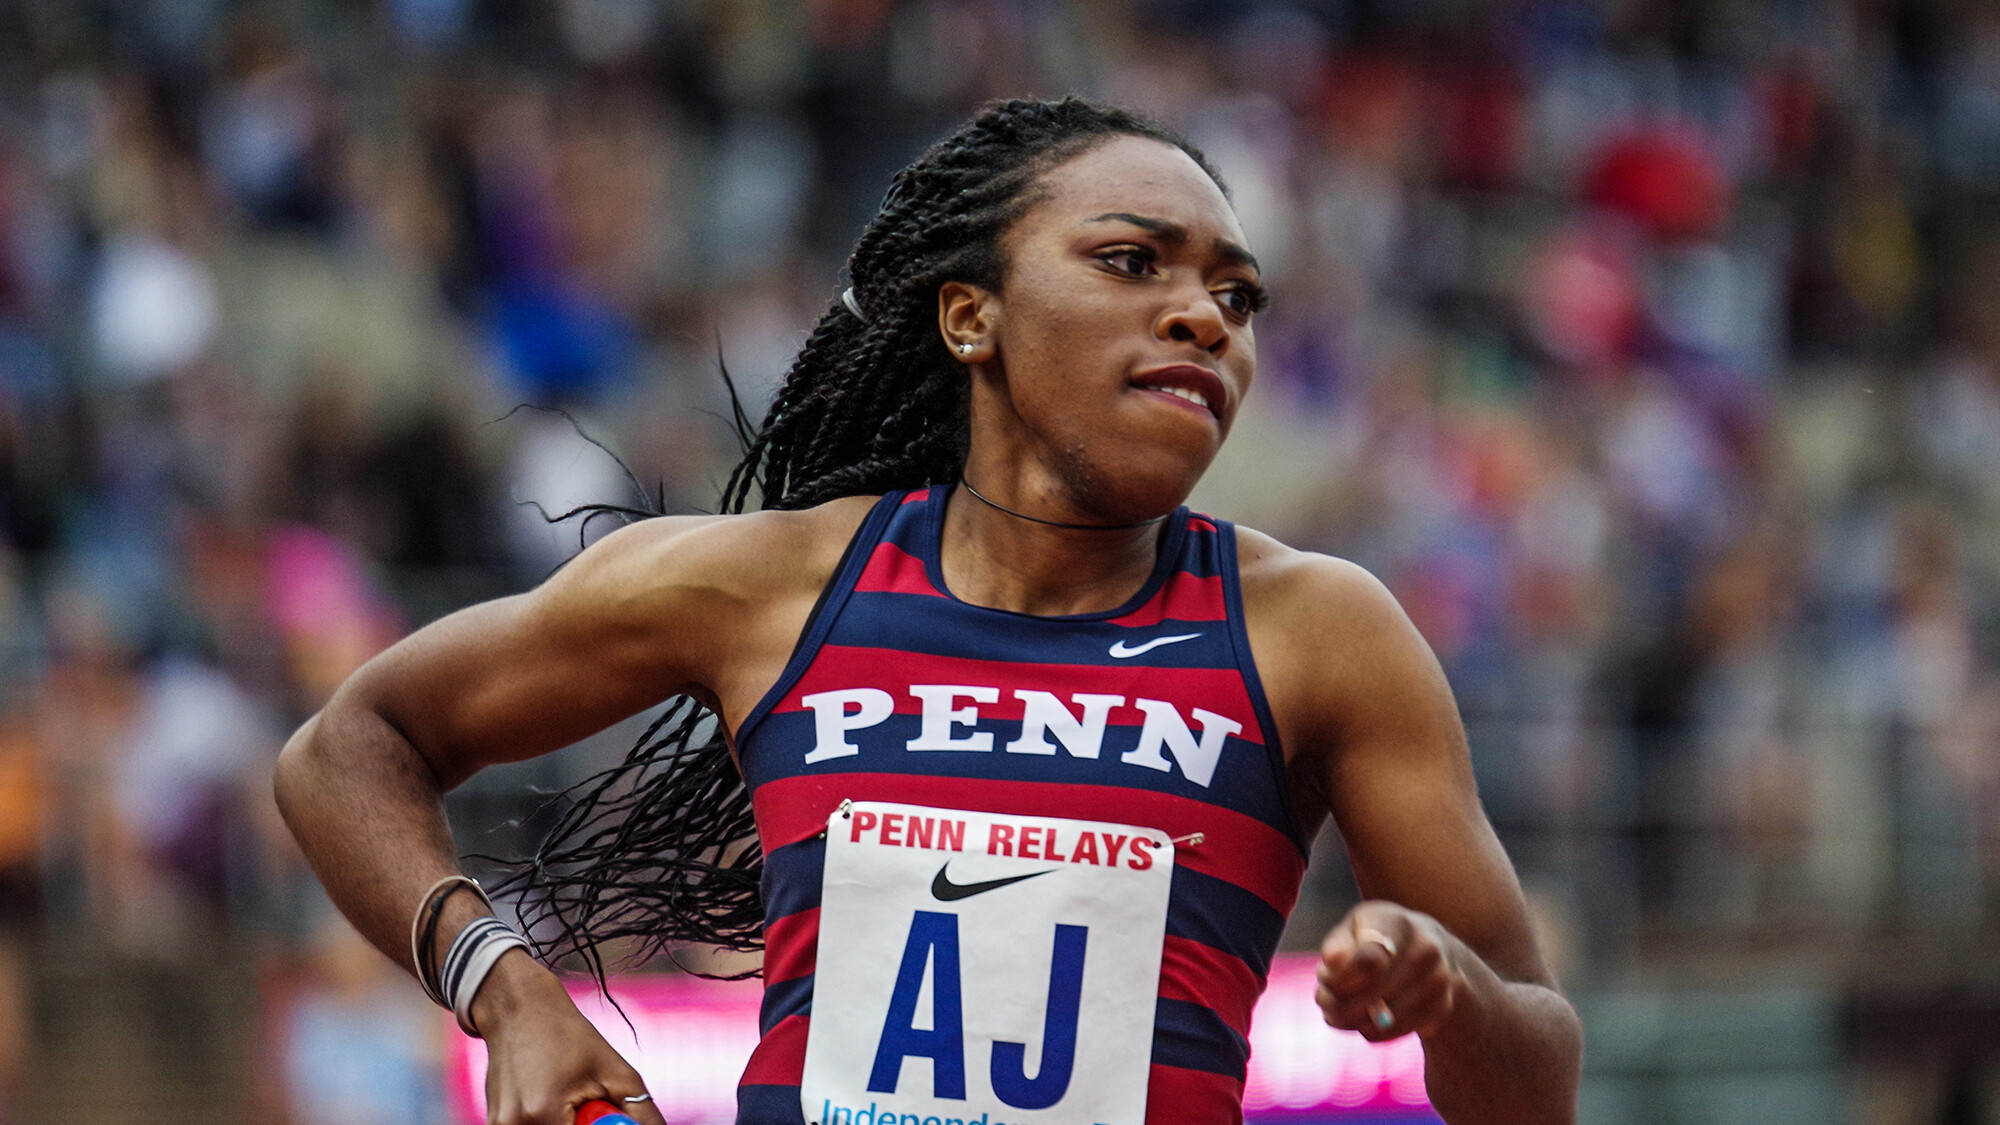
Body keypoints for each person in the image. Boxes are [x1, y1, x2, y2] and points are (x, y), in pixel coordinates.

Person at [274, 98, 1582, 1125]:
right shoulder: (772, 586)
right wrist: (502, 990)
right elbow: (346, 748)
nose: (1204, 317)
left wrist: (1451, 991)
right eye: (1133, 262)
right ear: (971, 318)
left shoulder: (1318, 631)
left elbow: (1538, 1085)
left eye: (1237, 297)